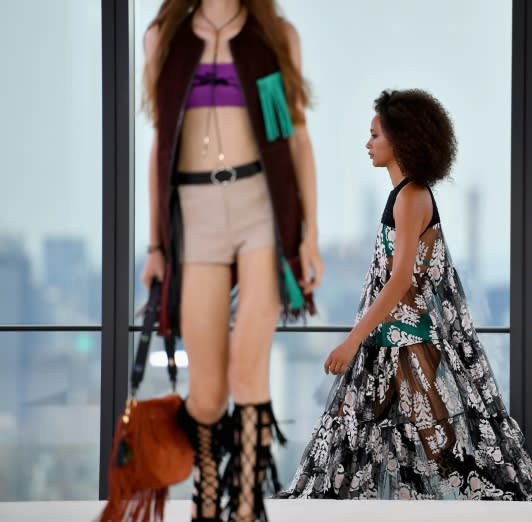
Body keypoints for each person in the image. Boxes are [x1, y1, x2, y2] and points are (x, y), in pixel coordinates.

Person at [278, 89, 532, 501]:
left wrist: (353, 340)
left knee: (441, 454)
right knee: (348, 441)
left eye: (375, 135)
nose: (367, 143)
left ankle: (512, 506)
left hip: (410, 346)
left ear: (401, 140)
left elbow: (401, 279)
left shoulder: (410, 198)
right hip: (390, 345)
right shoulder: (404, 195)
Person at [140, 0, 323, 520]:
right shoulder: (163, 38)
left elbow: (298, 138)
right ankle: (206, 493)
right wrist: (155, 246)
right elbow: (159, 145)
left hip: (260, 209)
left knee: (248, 373)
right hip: (195, 215)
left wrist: (310, 235)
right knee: (207, 394)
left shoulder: (277, 36)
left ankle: (244, 508)